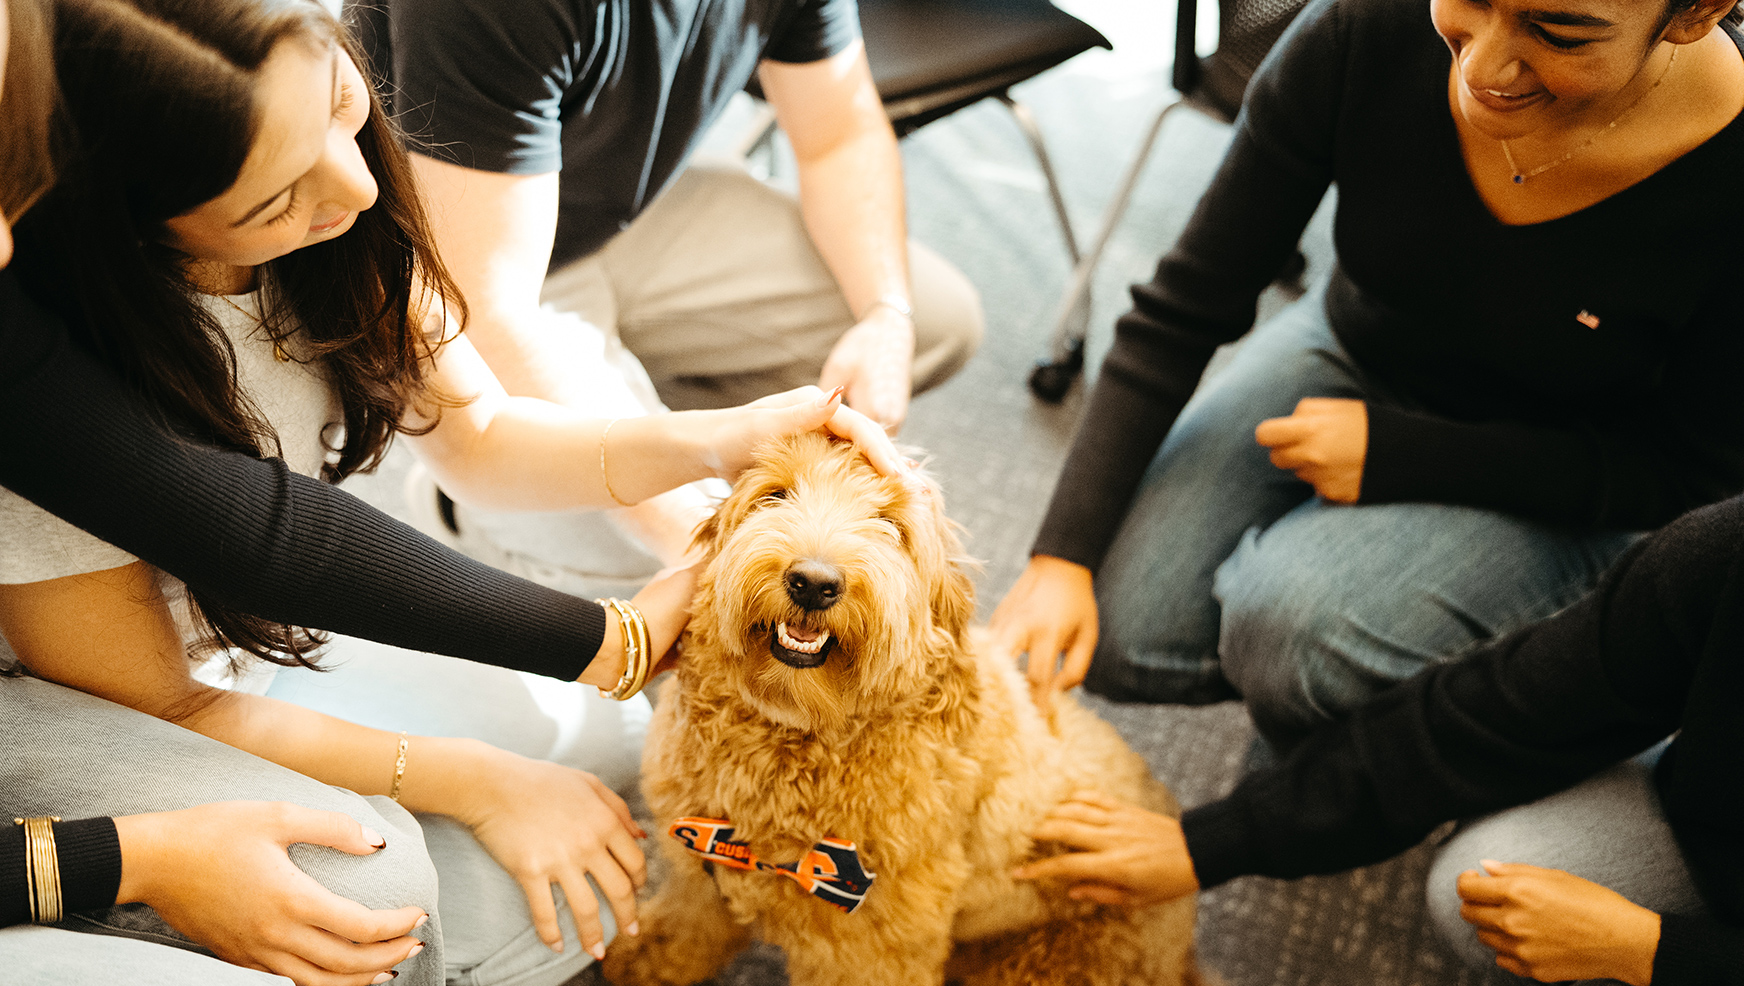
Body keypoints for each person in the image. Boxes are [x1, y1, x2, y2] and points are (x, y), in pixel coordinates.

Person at [0, 1, 908, 984]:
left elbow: (480, 433)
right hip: (103, 696)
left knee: (617, 748)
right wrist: (476, 777)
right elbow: (173, 683)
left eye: (346, 107)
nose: (351, 185)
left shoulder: (339, 219)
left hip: (260, 641)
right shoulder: (55, 366)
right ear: (121, 204)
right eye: (273, 199)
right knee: (390, 900)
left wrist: (714, 440)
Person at [991, 0, 1744, 749]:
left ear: (1695, 12)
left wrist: (1401, 456)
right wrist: (1061, 555)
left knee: (1290, 633)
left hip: (1584, 470)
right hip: (1358, 346)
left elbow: (1688, 480)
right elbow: (1187, 302)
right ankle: (1380, 692)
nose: (1479, 68)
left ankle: (1435, 702)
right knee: (1120, 626)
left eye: (1558, 31)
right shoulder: (1365, 22)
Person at [345, 0, 985, 592]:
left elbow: (840, 136)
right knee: (669, 560)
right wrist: (693, 530)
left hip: (615, 213)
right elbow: (489, 317)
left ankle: (635, 401)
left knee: (933, 318)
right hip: (453, 275)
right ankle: (463, 499)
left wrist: (885, 316)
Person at [1011, 492, 1744, 985]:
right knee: (1488, 881)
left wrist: (1651, 951)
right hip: (1716, 839)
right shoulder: (1723, 553)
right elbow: (1492, 713)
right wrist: (1211, 842)